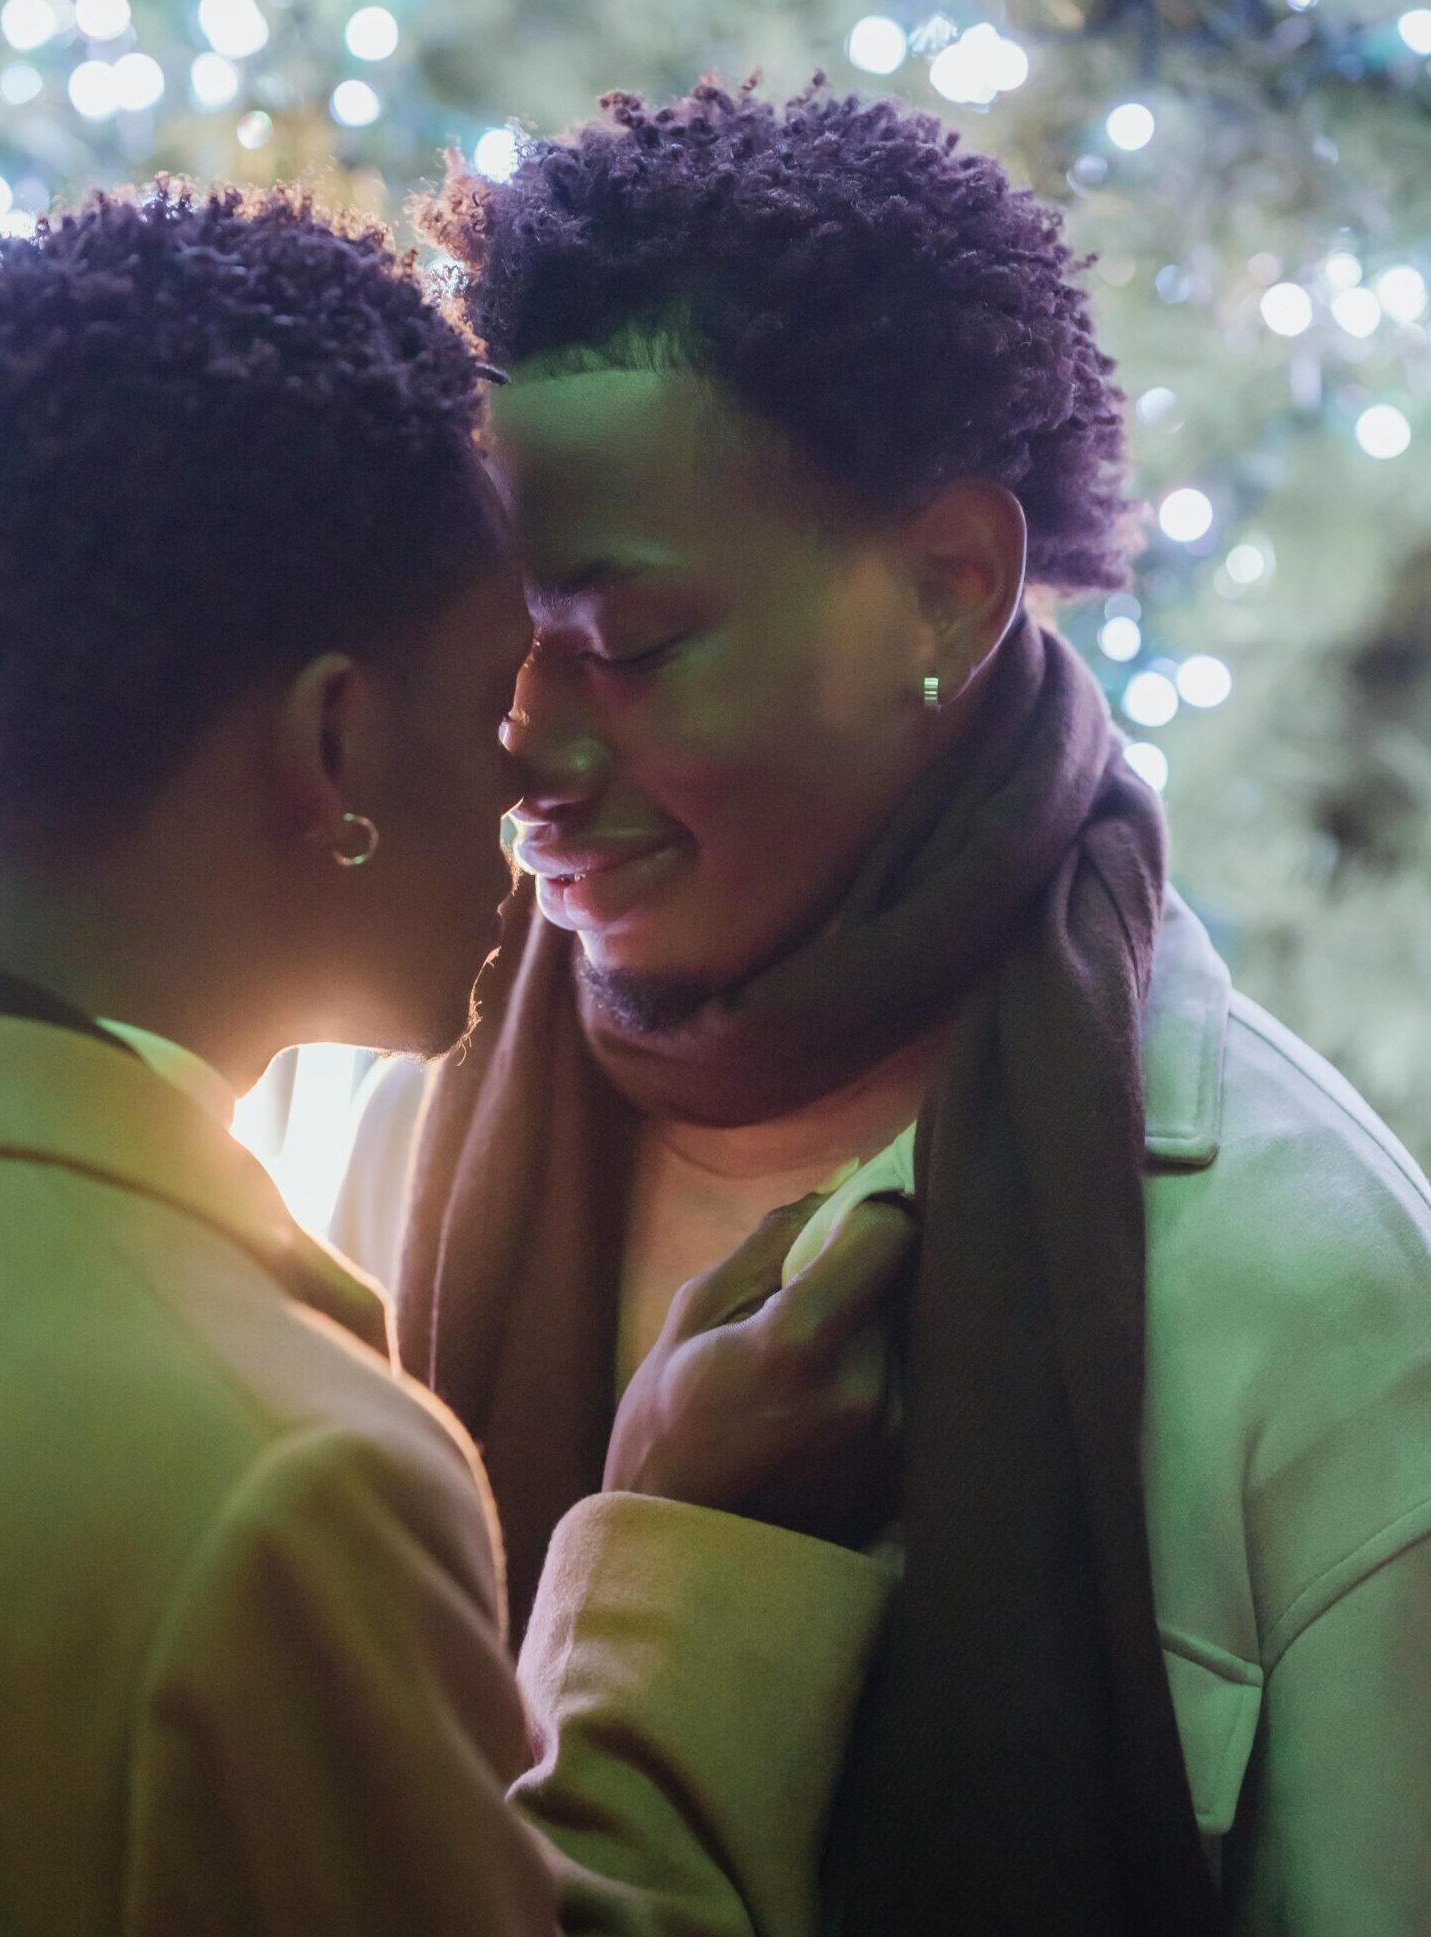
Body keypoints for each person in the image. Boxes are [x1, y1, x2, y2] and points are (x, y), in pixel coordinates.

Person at [0, 183, 913, 1935]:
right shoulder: (274, 1480)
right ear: (334, 740)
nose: (530, 788)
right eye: (499, 690)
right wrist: (684, 1558)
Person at [332, 81, 1431, 1935]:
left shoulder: (1304, 1288)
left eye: (628, 648)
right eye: (495, 652)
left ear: (948, 584)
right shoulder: (367, 1132)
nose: (528, 749)